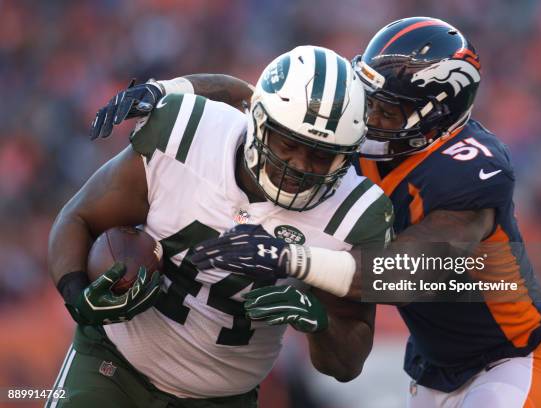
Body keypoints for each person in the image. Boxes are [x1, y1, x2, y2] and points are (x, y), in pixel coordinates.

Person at [94, 17, 541, 407]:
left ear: (437, 114)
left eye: (387, 110)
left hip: (510, 356)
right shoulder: (352, 139)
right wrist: (170, 90)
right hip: (431, 365)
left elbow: (401, 274)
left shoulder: (470, 170)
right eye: (369, 98)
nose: (369, 115)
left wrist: (290, 259)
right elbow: (256, 99)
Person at [47, 45, 394, 408]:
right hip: (112, 368)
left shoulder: (354, 214)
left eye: (321, 155)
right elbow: (78, 218)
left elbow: (346, 363)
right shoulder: (187, 134)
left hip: (221, 400)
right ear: (259, 122)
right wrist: (78, 299)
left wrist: (320, 324)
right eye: (288, 143)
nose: (299, 165)